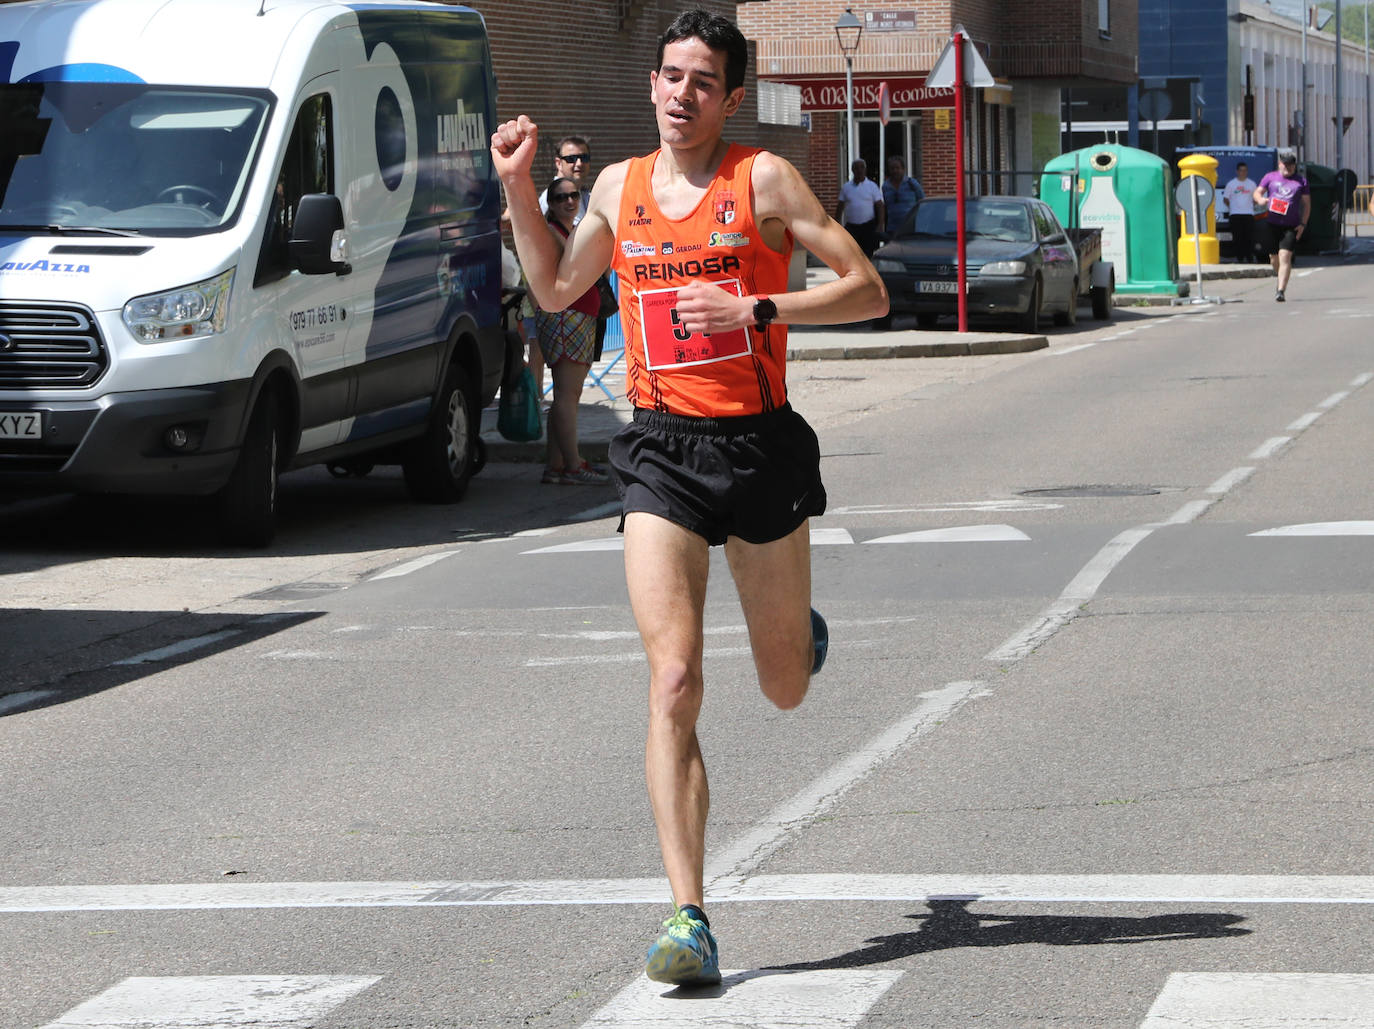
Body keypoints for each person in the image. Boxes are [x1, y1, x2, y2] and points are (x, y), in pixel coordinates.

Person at [491, 7, 887, 988]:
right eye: (670, 76)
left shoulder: (765, 180)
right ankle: (689, 916)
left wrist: (758, 305)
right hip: (660, 450)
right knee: (673, 681)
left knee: (783, 686)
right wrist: (515, 191)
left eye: (701, 81)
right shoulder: (620, 188)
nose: (680, 94)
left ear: (731, 96)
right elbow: (551, 290)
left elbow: (867, 287)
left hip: (758, 449)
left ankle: (797, 628)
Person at [534, 176, 610, 485]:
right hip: (567, 317)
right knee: (568, 395)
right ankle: (574, 464)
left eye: (574, 195)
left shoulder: (569, 229)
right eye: (561, 197)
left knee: (565, 396)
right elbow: (581, 263)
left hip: (577, 316)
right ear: (550, 204)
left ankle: (556, 465)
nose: (569, 201)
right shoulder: (553, 232)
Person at [1253, 150, 1310, 302]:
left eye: (1291, 165)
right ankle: (1280, 279)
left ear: (1295, 166)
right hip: (1272, 224)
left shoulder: (1301, 181)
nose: (1288, 168)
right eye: (1285, 165)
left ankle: (1281, 290)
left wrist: (1303, 224)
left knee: (1285, 256)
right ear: (1280, 164)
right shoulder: (1270, 177)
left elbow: (1307, 204)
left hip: (1291, 226)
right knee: (1273, 258)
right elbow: (1257, 193)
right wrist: (1260, 200)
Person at [539, 135, 594, 224]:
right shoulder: (551, 197)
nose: (579, 163)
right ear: (559, 163)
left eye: (584, 158)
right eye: (571, 159)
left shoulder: (587, 196)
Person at [835, 158, 884, 256]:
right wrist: (838, 225)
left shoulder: (872, 186)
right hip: (852, 228)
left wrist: (880, 225)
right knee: (852, 254)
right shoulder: (846, 187)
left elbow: (880, 206)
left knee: (868, 254)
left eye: (862, 167)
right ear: (852, 170)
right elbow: (840, 208)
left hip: (868, 227)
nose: (859, 170)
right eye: (856, 168)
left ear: (865, 169)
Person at [881, 155, 924, 240]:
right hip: (892, 229)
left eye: (897, 168)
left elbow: (922, 202)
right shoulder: (885, 186)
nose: (895, 171)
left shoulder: (912, 184)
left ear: (903, 169)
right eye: (892, 168)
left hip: (910, 227)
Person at [1222, 161, 1257, 264]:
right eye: (1241, 170)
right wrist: (1233, 207)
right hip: (1235, 215)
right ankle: (1240, 258)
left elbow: (1255, 198)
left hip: (1248, 214)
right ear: (1237, 171)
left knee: (1249, 237)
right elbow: (1226, 199)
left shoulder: (1252, 184)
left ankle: (1249, 257)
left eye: (1245, 170)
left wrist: (1250, 206)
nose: (1243, 172)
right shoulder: (1231, 184)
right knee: (1238, 237)